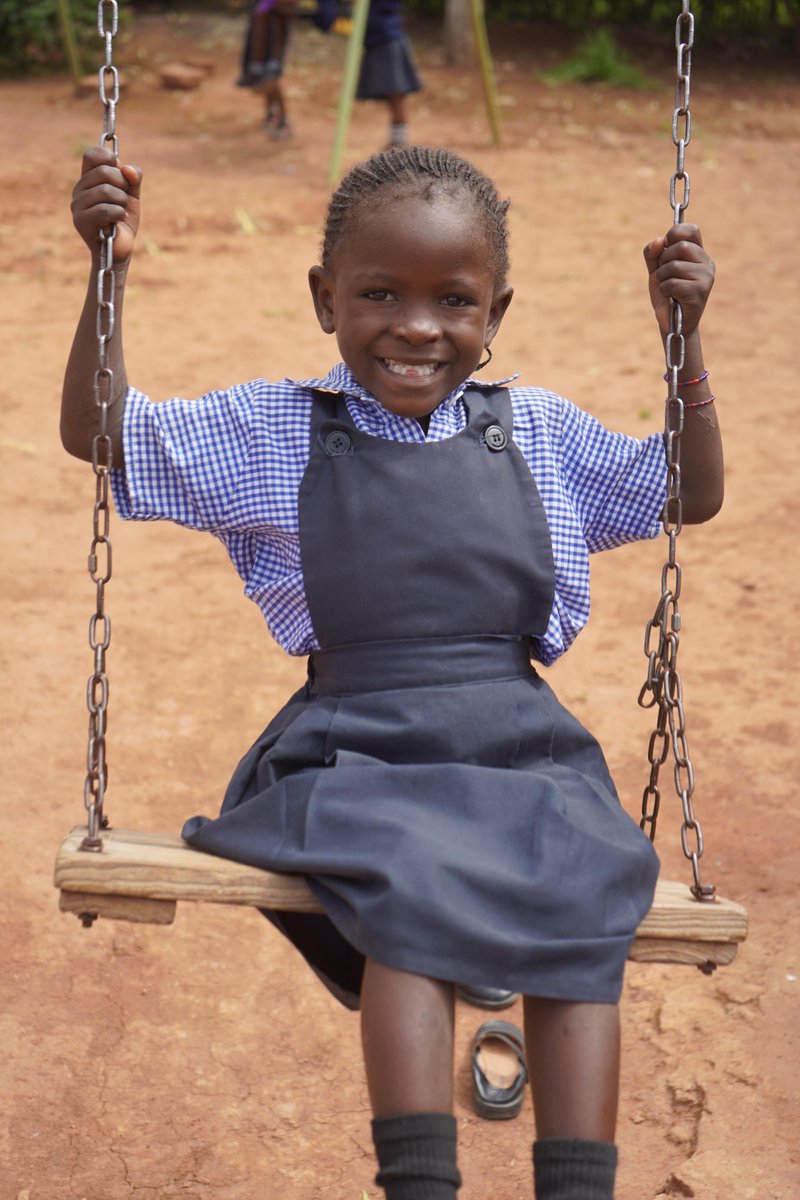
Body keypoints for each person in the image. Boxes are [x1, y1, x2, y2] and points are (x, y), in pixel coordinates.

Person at [63, 143, 723, 1200]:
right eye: (379, 293)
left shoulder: (539, 433)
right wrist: (110, 270)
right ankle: (418, 1185)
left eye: (452, 300)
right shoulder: (279, 430)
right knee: (402, 881)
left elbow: (683, 492)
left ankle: (577, 1187)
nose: (417, 326)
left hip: (520, 743)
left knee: (590, 883)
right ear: (324, 299)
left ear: (494, 312)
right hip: (355, 745)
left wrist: (680, 341)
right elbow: (106, 431)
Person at [316, 0, 422, 146]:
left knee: (395, 95)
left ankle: (399, 142)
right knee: (394, 96)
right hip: (379, 39)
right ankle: (398, 140)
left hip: (386, 38)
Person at [236, 0, 296, 139]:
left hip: (272, 51)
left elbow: (287, 16)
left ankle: (283, 122)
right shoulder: (263, 9)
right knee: (265, 81)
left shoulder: (277, 11)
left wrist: (273, 59)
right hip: (262, 51)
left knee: (271, 82)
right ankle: (271, 115)